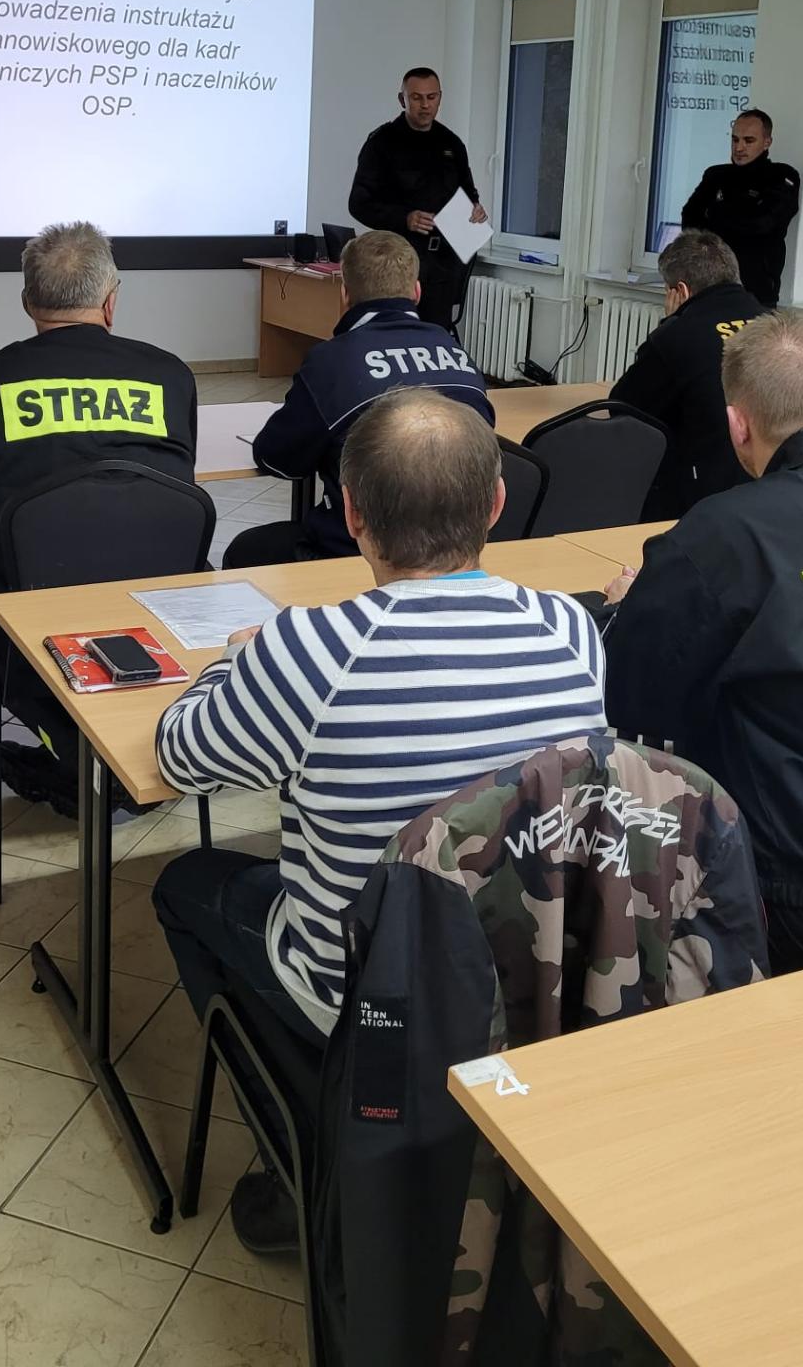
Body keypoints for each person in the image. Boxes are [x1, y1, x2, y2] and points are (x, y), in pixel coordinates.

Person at [153, 389, 607, 1250]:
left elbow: (182, 759)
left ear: (351, 512)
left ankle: (302, 1142)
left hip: (367, 994)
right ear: (497, 504)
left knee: (185, 885)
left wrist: (231, 666)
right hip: (524, 976)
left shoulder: (307, 649)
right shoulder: (572, 628)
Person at [0, 220, 197, 808]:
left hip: (30, 602)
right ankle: (123, 752)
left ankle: (78, 758)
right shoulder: (171, 373)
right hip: (161, 600)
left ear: (27, 302)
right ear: (111, 301)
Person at [603, 309, 803, 975]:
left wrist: (630, 608)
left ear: (738, 426)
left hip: (798, 892)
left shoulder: (726, 535)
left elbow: (632, 705)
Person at [223, 230, 494, 567]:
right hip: (457, 549)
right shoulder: (456, 353)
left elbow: (278, 458)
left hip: (358, 553)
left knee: (246, 550)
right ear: (416, 291)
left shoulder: (331, 362)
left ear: (344, 294)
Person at [609, 230, 768, 515]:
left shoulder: (677, 335)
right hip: (769, 478)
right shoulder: (773, 323)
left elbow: (623, 407)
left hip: (700, 494)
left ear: (680, 291)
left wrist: (669, 323)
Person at [348, 68, 489, 329]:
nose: (425, 105)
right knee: (394, 333)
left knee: (434, 334)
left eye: (431, 97)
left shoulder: (452, 143)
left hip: (442, 263)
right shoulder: (382, 142)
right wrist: (405, 218)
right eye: (416, 98)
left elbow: (469, 193)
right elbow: (358, 204)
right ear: (402, 100)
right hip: (395, 263)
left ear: (440, 98)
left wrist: (476, 209)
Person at [680, 107, 800, 305]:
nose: (739, 147)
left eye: (748, 140)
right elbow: (690, 220)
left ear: (767, 142)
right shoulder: (716, 175)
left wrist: (715, 213)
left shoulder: (781, 176)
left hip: (755, 292)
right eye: (735, 140)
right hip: (708, 286)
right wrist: (741, 216)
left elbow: (762, 223)